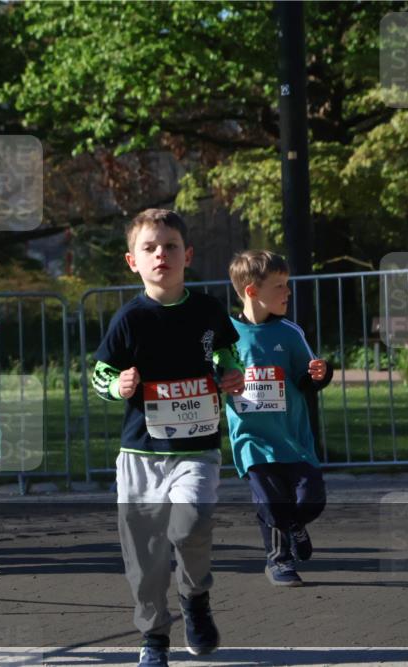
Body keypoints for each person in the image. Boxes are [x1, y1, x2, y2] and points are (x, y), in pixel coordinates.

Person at [91, 208, 245, 667]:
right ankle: (154, 637)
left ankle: (195, 598)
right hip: (140, 454)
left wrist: (230, 373)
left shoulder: (207, 309)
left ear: (187, 255)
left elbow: (226, 351)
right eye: (150, 248)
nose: (161, 254)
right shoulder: (129, 318)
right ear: (132, 261)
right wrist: (117, 386)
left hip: (196, 449)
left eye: (170, 246)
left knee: (191, 524)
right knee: (145, 556)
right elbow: (101, 373)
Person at [226, 250, 332, 587]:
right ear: (252, 291)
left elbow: (306, 377)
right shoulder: (225, 335)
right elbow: (214, 376)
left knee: (310, 500)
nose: (288, 292)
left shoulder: (289, 332)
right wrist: (220, 380)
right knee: (271, 503)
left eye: (287, 285)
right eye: (280, 286)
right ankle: (280, 560)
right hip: (252, 441)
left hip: (292, 438)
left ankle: (295, 526)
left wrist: (318, 375)